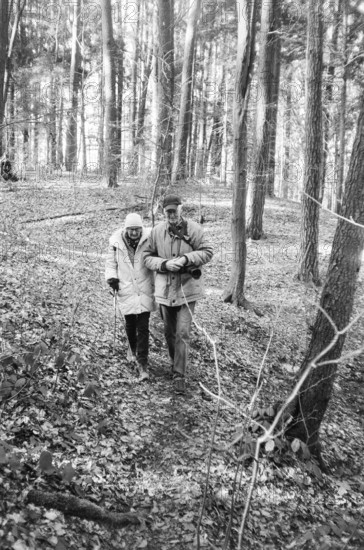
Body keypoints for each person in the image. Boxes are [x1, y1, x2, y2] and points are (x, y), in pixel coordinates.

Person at [143, 194, 213, 394]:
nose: (172, 214)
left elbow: (208, 251)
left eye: (175, 210)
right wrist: (165, 264)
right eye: (168, 211)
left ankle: (179, 375)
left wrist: (186, 259)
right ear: (163, 212)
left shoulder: (195, 230)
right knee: (169, 332)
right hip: (165, 289)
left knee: (183, 332)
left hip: (187, 289)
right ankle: (176, 363)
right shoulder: (156, 232)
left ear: (181, 209)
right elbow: (147, 258)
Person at [105, 213, 155, 379]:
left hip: (144, 288)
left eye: (137, 229)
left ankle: (143, 363)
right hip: (125, 287)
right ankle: (131, 348)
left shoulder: (150, 239)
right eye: (131, 229)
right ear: (126, 229)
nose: (134, 233)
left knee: (143, 326)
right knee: (130, 323)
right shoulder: (115, 243)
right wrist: (111, 278)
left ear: (142, 228)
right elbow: (111, 263)